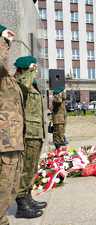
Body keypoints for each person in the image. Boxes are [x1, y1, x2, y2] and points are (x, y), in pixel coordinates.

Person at [14, 56, 46, 218]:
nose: (36, 72)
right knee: (25, 169)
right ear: (26, 69)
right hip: (27, 134)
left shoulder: (31, 85)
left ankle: (27, 197)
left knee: (32, 168)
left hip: (35, 133)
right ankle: (21, 205)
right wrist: (29, 73)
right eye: (33, 69)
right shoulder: (20, 83)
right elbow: (23, 87)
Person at [0, 25, 24, 225]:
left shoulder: (8, 79)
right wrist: (2, 40)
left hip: (12, 141)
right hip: (4, 141)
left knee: (9, 189)